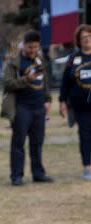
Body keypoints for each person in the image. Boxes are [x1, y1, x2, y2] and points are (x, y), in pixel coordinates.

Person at [2, 30, 54, 186]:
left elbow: (45, 82)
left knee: (37, 143)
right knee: (18, 144)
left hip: (39, 108)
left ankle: (38, 174)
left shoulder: (39, 60)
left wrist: (48, 99)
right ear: (24, 46)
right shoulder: (14, 63)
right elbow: (8, 83)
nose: (33, 50)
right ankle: (16, 176)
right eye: (30, 47)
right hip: (21, 108)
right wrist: (26, 79)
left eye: (36, 47)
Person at [59, 24, 91, 181]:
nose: (87, 39)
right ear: (79, 41)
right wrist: (62, 101)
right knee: (85, 136)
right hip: (81, 106)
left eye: (90, 36)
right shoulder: (73, 59)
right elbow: (65, 82)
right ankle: (87, 167)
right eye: (84, 37)